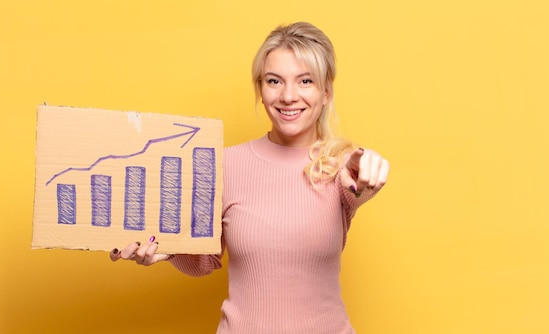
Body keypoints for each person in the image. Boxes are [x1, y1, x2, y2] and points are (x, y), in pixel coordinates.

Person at [110, 21, 389, 333]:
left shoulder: (340, 169)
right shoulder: (224, 164)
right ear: (260, 88)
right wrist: (169, 250)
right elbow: (205, 260)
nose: (288, 96)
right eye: (274, 81)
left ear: (325, 93)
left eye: (305, 81)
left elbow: (359, 184)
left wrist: (368, 167)